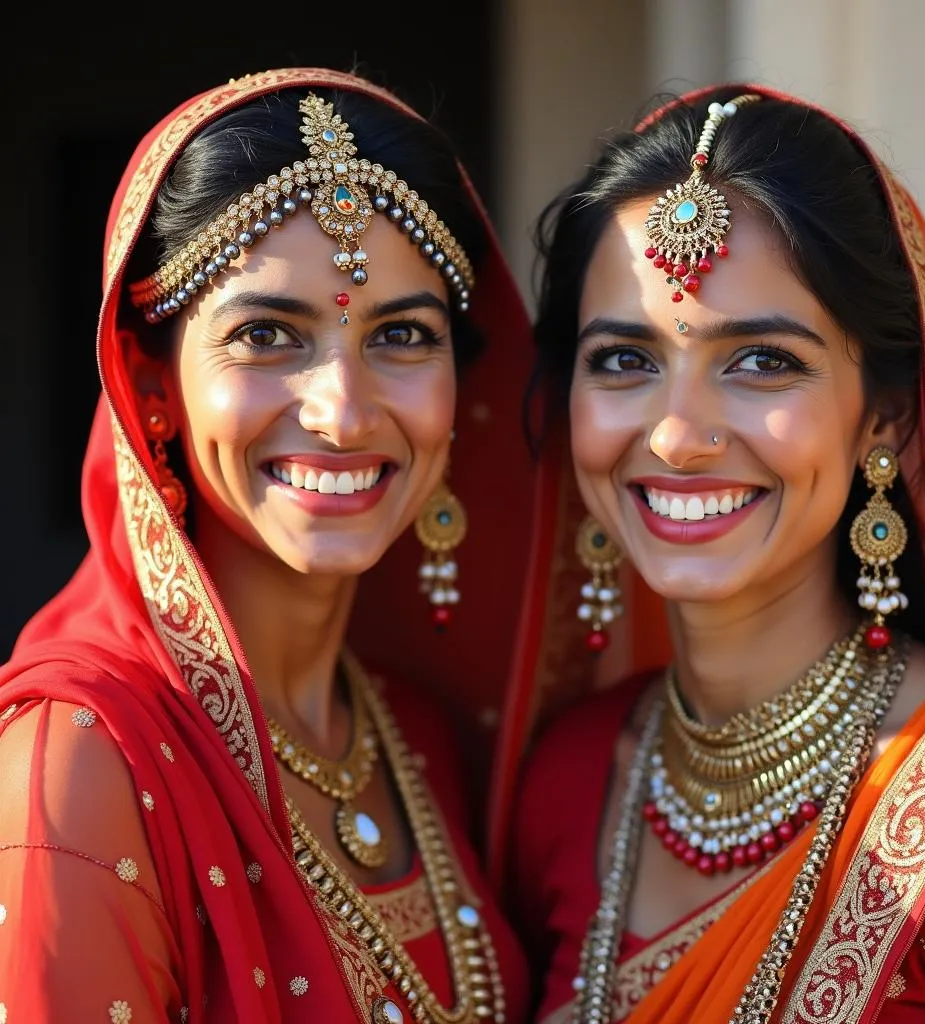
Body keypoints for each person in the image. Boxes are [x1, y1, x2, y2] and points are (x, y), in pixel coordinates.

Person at [0, 66, 538, 1023]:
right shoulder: (81, 766)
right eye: (265, 336)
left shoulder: (415, 735)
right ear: (151, 384)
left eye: (404, 335)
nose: (341, 412)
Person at [493, 84, 925, 1024]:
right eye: (625, 359)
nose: (676, 437)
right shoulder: (569, 780)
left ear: (887, 419)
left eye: (762, 361)